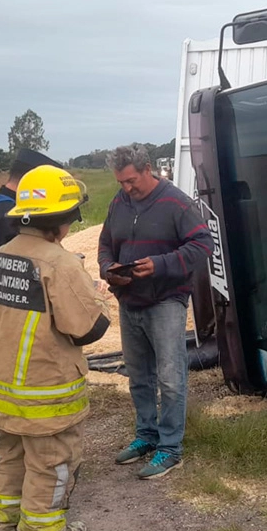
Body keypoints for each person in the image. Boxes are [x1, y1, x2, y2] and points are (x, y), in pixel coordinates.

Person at [0, 164, 110, 531]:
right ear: (64, 218)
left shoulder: (3, 255)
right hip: (46, 387)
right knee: (52, 461)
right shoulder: (61, 263)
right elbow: (87, 328)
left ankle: (7, 528)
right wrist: (96, 292)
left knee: (12, 456)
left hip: (4, 387)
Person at [97, 147, 213, 480]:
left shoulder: (177, 203)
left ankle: (171, 448)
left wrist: (160, 265)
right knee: (139, 377)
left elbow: (203, 244)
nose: (127, 188)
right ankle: (146, 436)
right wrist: (108, 268)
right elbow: (106, 243)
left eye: (131, 180)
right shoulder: (119, 203)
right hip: (129, 300)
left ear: (149, 169)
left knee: (170, 377)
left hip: (165, 301)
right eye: (121, 182)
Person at [0, 147, 60, 474]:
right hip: (6, 309)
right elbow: (19, 267)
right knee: (8, 377)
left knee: (7, 374)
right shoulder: (5, 216)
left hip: (1, 306)